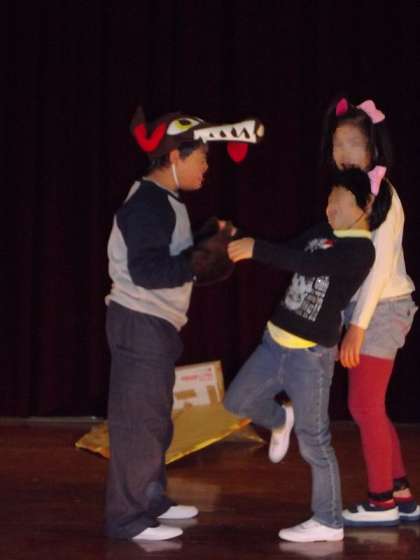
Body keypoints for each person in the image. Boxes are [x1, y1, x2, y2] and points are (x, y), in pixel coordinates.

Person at [105, 106, 263, 541]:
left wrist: (206, 240)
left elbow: (169, 257)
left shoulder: (165, 200)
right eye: (202, 157)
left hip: (154, 324)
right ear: (176, 156)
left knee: (155, 420)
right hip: (139, 321)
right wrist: (200, 258)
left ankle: (151, 500)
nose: (207, 166)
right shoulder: (146, 204)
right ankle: (128, 519)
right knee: (139, 424)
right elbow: (148, 271)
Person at [224, 167, 390, 543]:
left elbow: (312, 265)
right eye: (329, 199)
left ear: (364, 205)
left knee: (314, 439)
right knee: (236, 401)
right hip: (273, 343)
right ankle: (281, 418)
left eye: (338, 199)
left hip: (310, 357)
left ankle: (328, 521)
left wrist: (255, 249)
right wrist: (239, 237)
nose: (330, 207)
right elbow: (289, 250)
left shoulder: (361, 250)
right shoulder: (321, 230)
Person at [320, 97, 418, 527]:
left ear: (374, 149)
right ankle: (400, 494)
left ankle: (381, 502)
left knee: (363, 406)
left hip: (382, 309)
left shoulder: (384, 195)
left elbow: (377, 269)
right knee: (371, 406)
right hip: (368, 310)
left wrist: (357, 327)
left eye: (355, 144)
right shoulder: (353, 192)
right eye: (338, 143)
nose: (345, 152)